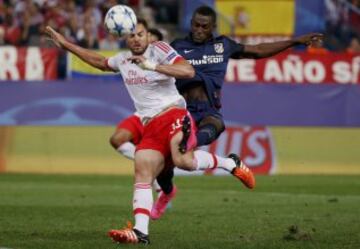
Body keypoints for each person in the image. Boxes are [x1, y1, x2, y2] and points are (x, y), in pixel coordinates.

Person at [45, 18, 255, 244]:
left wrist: (152, 66)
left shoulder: (159, 50)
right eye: (132, 35)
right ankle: (140, 232)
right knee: (142, 170)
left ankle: (231, 164)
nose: (136, 39)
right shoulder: (123, 60)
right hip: (151, 124)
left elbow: (187, 70)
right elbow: (99, 61)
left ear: (147, 36)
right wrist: (66, 44)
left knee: (183, 161)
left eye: (140, 34)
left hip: (174, 113)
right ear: (126, 37)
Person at [110, 5, 324, 221]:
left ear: (213, 27)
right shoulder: (178, 46)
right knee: (164, 172)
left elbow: (258, 50)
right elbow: (153, 50)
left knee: (215, 126)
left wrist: (294, 42)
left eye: (204, 26)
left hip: (209, 110)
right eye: (195, 25)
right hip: (181, 112)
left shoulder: (223, 45)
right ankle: (167, 192)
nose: (199, 29)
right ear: (191, 23)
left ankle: (196, 143)